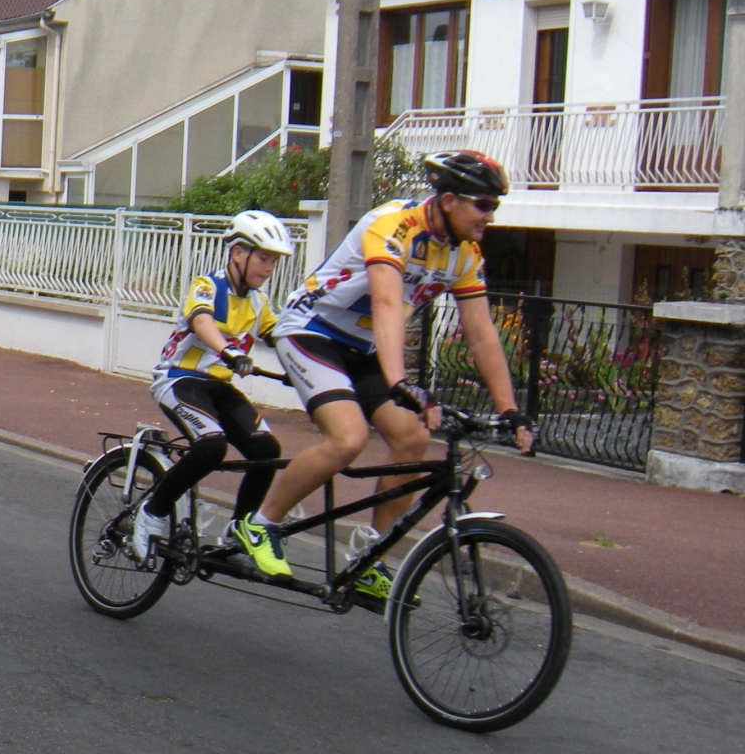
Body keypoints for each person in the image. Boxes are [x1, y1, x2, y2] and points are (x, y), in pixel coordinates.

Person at [231, 150, 533, 598]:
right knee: (349, 438)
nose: (490, 215)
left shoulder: (465, 254)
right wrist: (400, 382)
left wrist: (510, 410)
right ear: (449, 200)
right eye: (484, 204)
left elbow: (482, 333)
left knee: (412, 437)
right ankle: (260, 525)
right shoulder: (394, 225)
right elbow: (387, 304)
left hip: (363, 347)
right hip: (313, 331)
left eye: (495, 206)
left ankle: (371, 554)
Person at [131, 210, 293, 563]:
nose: (269, 268)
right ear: (238, 253)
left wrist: (307, 369)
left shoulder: (258, 302)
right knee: (211, 445)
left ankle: (237, 532)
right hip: (179, 381)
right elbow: (202, 321)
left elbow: (281, 338)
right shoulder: (207, 285)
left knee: (267, 451)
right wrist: (228, 350)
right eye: (263, 258)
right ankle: (152, 512)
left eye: (274, 261)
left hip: (219, 390)